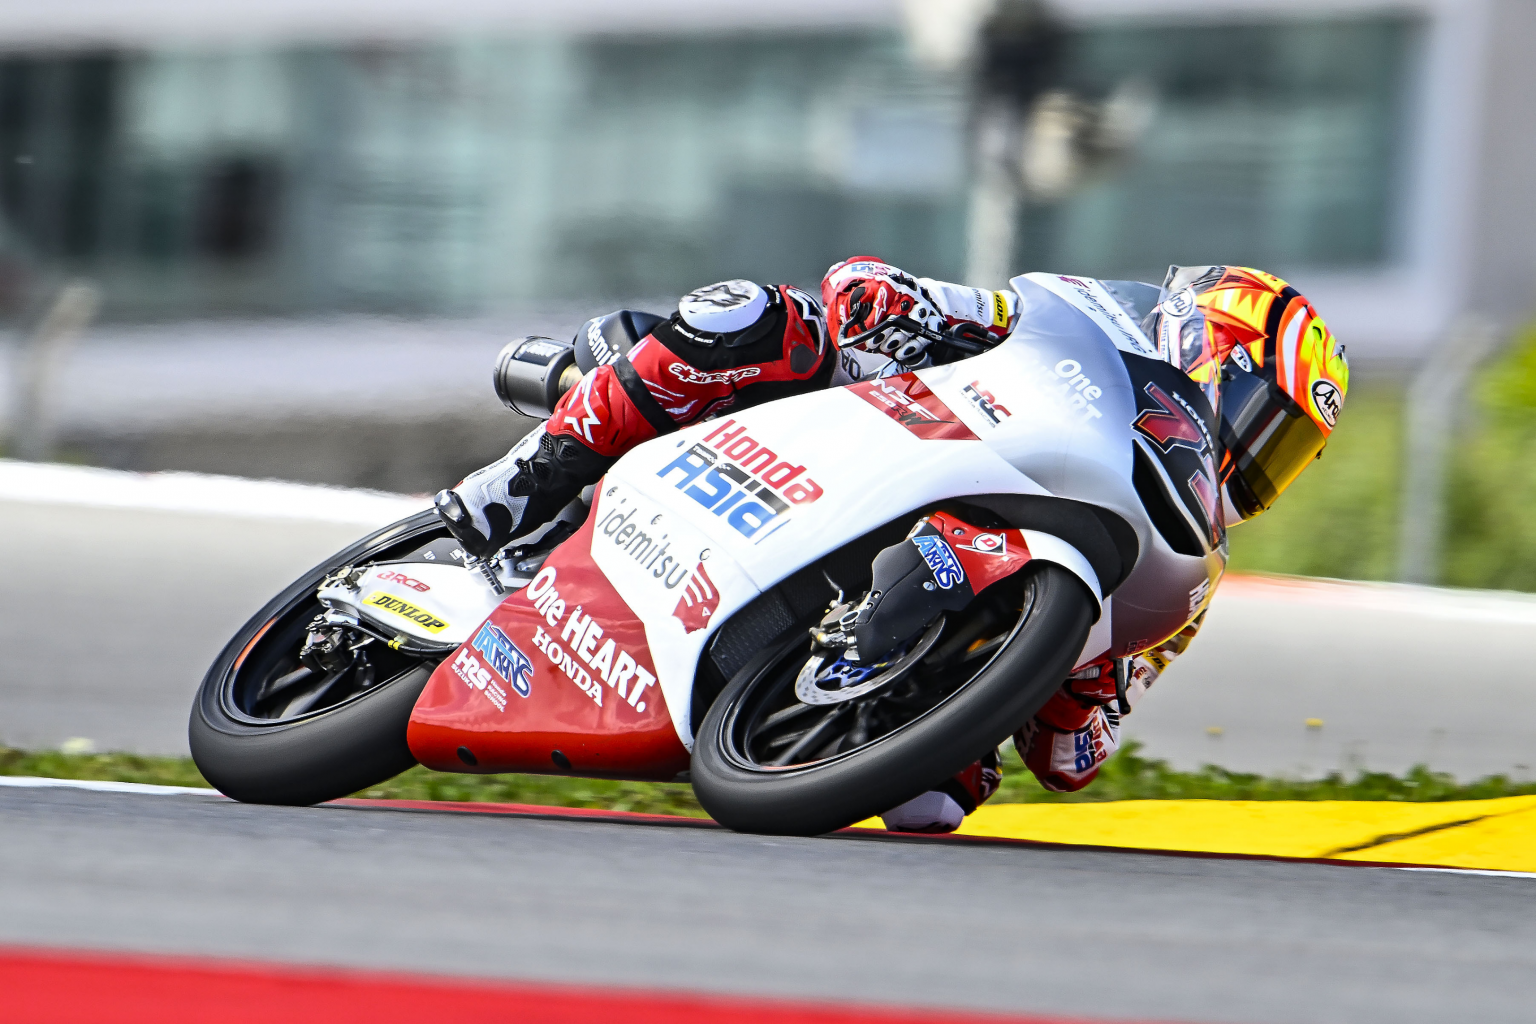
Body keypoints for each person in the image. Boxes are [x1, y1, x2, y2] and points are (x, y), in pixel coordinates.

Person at [435, 259, 1349, 833]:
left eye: (1285, 452)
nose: (1256, 457)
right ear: (1206, 345)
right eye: (1261, 417)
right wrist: (899, 312)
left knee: (939, 803)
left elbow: (1073, 759)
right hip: (867, 429)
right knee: (751, 316)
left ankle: (770, 719)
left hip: (909, 609)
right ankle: (519, 485)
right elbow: (867, 289)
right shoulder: (1080, 319)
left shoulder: (1187, 579)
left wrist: (1080, 682)